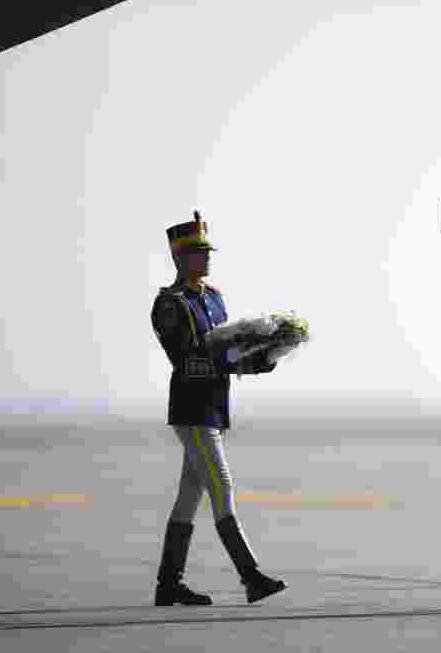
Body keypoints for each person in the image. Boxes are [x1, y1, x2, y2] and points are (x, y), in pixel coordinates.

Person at [150, 210, 287, 606]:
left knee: (188, 498)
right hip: (192, 409)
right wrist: (232, 361)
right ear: (180, 258)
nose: (206, 258)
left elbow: (227, 352)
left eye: (206, 251)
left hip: (214, 407)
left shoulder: (214, 297)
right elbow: (186, 361)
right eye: (197, 252)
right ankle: (251, 576)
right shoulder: (170, 304)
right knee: (222, 485)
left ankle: (168, 584)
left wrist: (261, 358)